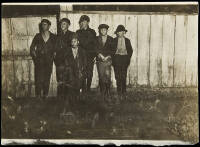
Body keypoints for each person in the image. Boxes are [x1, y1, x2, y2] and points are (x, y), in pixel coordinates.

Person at [30, 19, 57, 99]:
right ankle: (38, 96)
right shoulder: (37, 36)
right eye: (42, 24)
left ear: (49, 26)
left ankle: (45, 95)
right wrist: (35, 57)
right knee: (38, 78)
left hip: (49, 61)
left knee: (47, 78)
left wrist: (53, 55)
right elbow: (32, 48)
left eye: (45, 24)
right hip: (39, 62)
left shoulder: (53, 37)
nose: (43, 26)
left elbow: (56, 49)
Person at [76, 15, 97, 93]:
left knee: (90, 73)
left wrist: (95, 55)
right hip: (81, 56)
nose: (83, 23)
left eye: (85, 21)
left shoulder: (92, 31)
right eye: (82, 22)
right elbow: (76, 45)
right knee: (82, 72)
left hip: (90, 55)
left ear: (88, 22)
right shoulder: (78, 32)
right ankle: (83, 88)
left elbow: (95, 44)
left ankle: (88, 88)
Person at [64, 33, 87, 102]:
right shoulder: (67, 51)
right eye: (72, 41)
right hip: (71, 72)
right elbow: (66, 62)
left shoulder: (82, 51)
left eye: (75, 41)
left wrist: (82, 70)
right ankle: (72, 100)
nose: (73, 43)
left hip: (80, 72)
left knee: (80, 85)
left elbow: (85, 62)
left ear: (78, 42)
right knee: (71, 87)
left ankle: (80, 100)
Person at [54, 18, 74, 99]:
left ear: (68, 25)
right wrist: (56, 60)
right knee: (60, 81)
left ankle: (69, 101)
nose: (62, 25)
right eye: (61, 24)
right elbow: (55, 49)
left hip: (69, 63)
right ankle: (60, 101)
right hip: (59, 63)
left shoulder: (72, 34)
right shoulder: (58, 35)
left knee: (69, 81)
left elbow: (74, 48)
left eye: (64, 24)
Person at [112, 25, 133, 99]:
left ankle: (124, 91)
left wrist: (127, 58)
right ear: (117, 33)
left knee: (123, 75)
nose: (120, 33)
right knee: (117, 76)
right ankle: (118, 91)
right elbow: (111, 51)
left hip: (124, 59)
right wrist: (113, 59)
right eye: (118, 32)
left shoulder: (127, 40)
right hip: (117, 59)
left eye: (121, 32)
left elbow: (130, 51)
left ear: (124, 32)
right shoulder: (114, 40)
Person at [96, 24, 115, 101]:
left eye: (105, 30)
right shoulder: (97, 38)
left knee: (107, 75)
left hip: (108, 60)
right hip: (100, 60)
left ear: (107, 30)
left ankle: (108, 92)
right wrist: (99, 55)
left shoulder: (111, 39)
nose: (103, 31)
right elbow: (95, 48)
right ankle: (102, 92)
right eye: (101, 30)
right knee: (101, 76)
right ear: (100, 31)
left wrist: (108, 56)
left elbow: (113, 49)